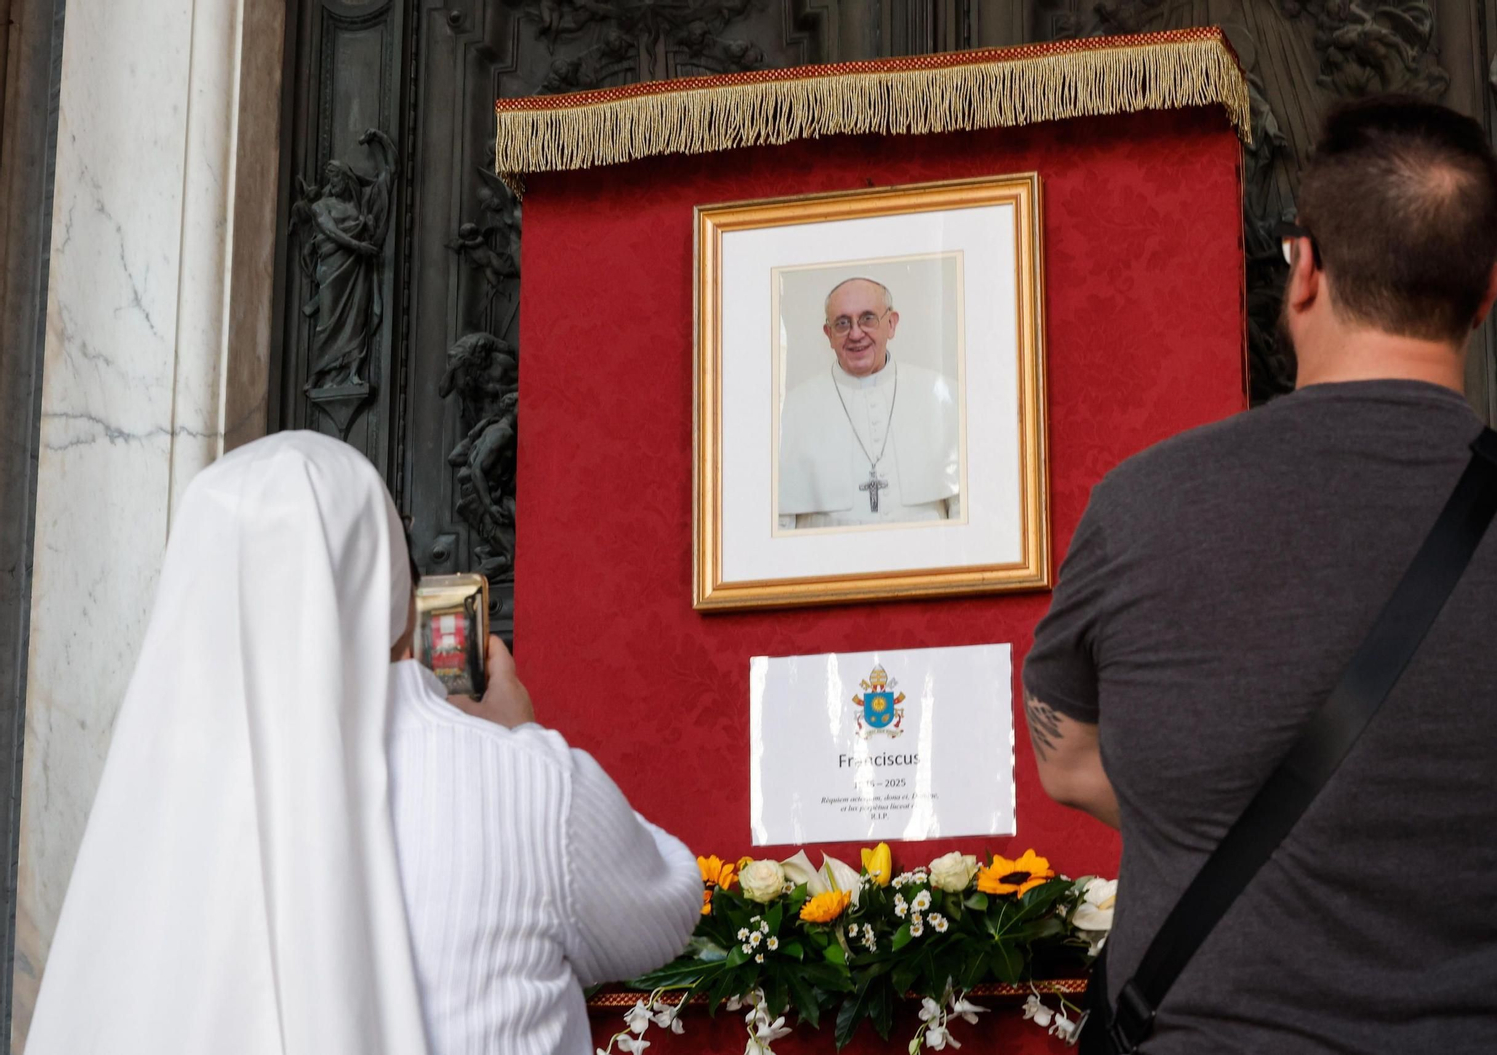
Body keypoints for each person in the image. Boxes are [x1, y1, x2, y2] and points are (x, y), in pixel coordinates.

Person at [1022, 96, 1497, 1052]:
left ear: (1303, 270)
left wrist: (1231, 816)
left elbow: (1069, 761)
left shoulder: (1140, 508)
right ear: (1490, 293)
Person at [25, 431, 702, 1055]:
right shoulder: (527, 782)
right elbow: (668, 909)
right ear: (397, 588)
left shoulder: (144, 818)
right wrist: (518, 735)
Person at [777, 277, 960, 529]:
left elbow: (964, 510)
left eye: (867, 318)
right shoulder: (791, 409)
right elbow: (779, 525)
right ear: (828, 334)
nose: (855, 333)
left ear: (891, 324)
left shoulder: (943, 396)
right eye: (842, 323)